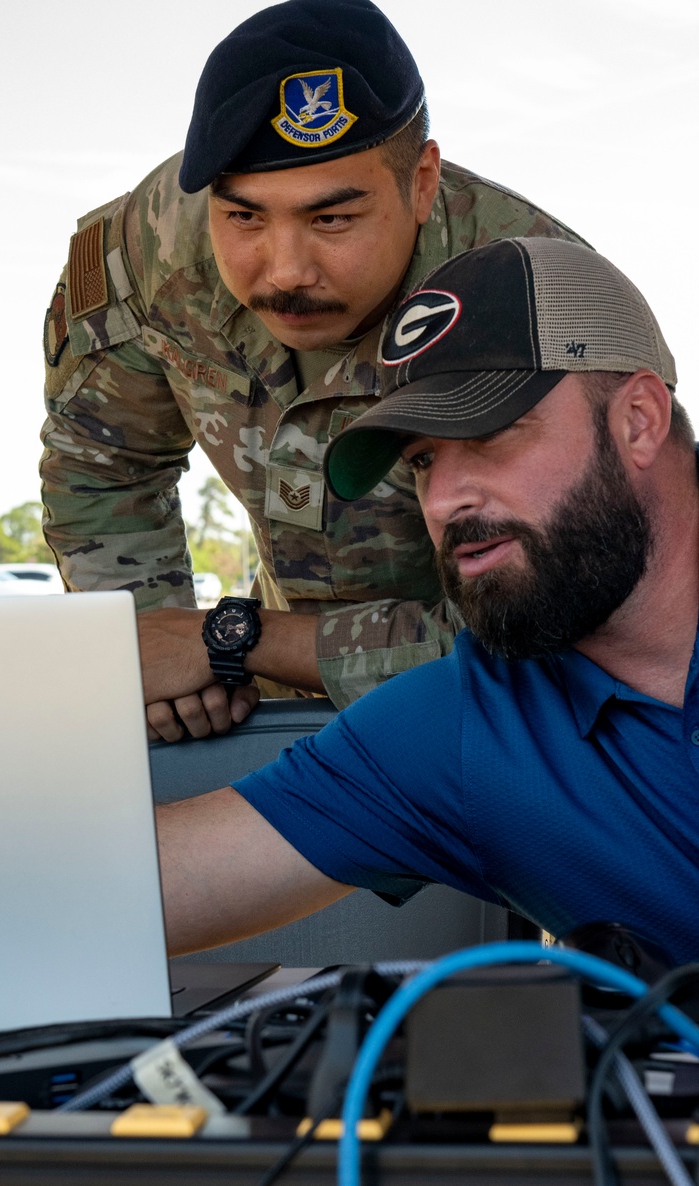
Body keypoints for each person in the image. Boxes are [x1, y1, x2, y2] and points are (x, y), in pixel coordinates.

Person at [39, 0, 589, 743]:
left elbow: (548, 630)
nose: (286, 270)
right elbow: (103, 468)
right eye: (245, 218)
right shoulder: (148, 250)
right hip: (269, 705)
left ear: (422, 183)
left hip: (497, 720)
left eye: (332, 220)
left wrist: (228, 640)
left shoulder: (536, 304)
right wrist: (151, 658)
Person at [157, 236, 699, 967]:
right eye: (421, 461)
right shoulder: (466, 726)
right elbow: (147, 887)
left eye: (490, 433)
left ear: (638, 419)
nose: (442, 500)